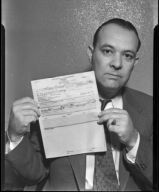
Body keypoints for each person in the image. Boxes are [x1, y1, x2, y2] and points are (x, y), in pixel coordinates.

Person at [5, 18, 153, 191]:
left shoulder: (150, 108)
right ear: (91, 53)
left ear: (134, 62)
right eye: (107, 51)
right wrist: (15, 136)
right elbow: (33, 174)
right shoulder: (55, 100)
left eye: (127, 56)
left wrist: (133, 140)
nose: (117, 63)